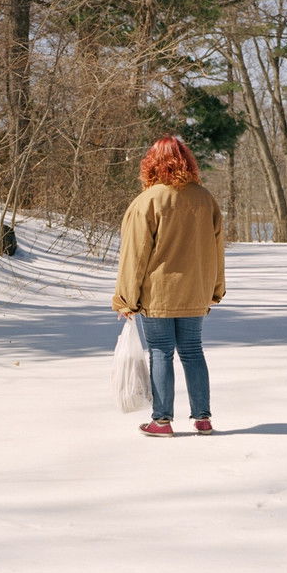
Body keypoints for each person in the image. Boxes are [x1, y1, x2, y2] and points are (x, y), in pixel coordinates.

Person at [112, 136, 226, 437]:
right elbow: (217, 249)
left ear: (151, 164)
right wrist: (215, 288)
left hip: (158, 293)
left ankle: (162, 421)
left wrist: (126, 298)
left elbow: (134, 256)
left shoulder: (147, 202)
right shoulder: (205, 199)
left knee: (161, 351)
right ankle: (203, 419)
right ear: (187, 160)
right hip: (194, 291)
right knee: (192, 350)